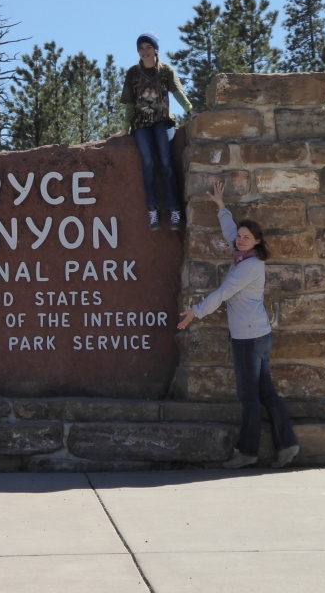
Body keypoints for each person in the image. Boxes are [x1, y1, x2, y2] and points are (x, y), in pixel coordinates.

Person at [178, 180, 301, 469]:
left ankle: (247, 452)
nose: (241, 240)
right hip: (258, 334)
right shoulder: (244, 256)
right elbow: (230, 233)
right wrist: (221, 207)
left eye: (247, 237)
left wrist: (195, 312)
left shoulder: (248, 267)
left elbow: (223, 294)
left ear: (257, 241)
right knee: (265, 392)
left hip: (248, 339)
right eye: (241, 236)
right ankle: (288, 445)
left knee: (249, 396)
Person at [120, 32, 193, 231]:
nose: (144, 51)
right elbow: (129, 103)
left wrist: (190, 110)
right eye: (141, 48)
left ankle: (174, 210)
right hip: (141, 124)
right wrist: (125, 128)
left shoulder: (166, 71)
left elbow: (177, 92)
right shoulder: (133, 73)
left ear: (155, 49)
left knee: (167, 162)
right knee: (148, 162)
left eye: (148, 47)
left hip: (163, 122)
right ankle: (153, 210)